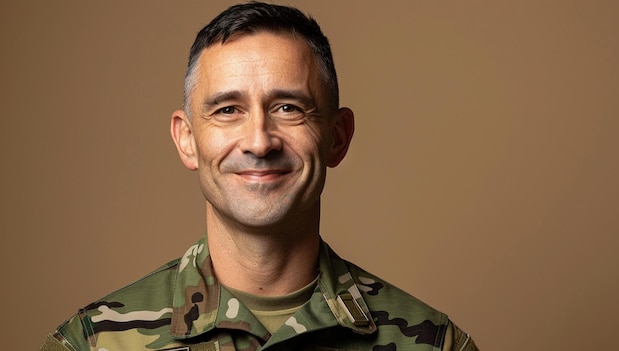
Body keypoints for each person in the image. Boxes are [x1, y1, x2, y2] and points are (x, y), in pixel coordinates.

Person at [40, 2, 478, 350]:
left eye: (288, 107)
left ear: (337, 137)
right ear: (187, 139)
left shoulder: (433, 344)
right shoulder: (93, 343)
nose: (259, 141)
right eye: (228, 110)